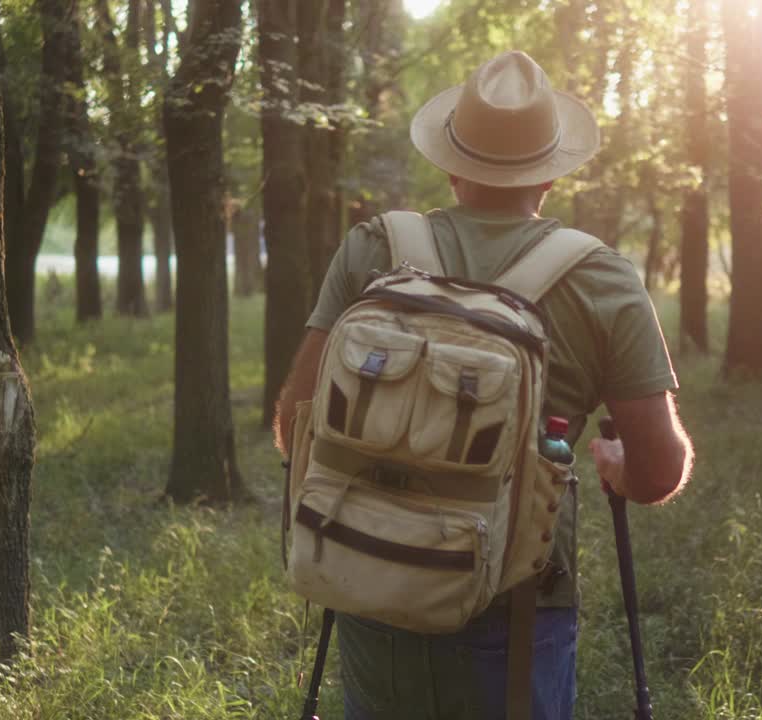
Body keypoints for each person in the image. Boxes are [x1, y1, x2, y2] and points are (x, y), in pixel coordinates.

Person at [274, 50, 693, 720]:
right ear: (551, 176)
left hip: (369, 586)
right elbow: (659, 470)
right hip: (517, 616)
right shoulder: (601, 280)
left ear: (450, 162)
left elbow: (293, 428)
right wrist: (619, 464)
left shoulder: (372, 249)